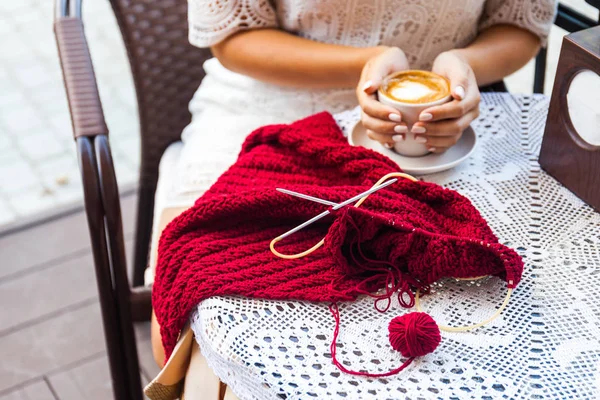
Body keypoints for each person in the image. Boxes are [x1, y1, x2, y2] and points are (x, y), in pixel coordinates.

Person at [149, 0, 556, 379]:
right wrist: (368, 61)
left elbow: (519, 23)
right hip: (272, 107)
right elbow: (232, 36)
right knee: (185, 336)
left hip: (443, 120)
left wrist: (463, 63)